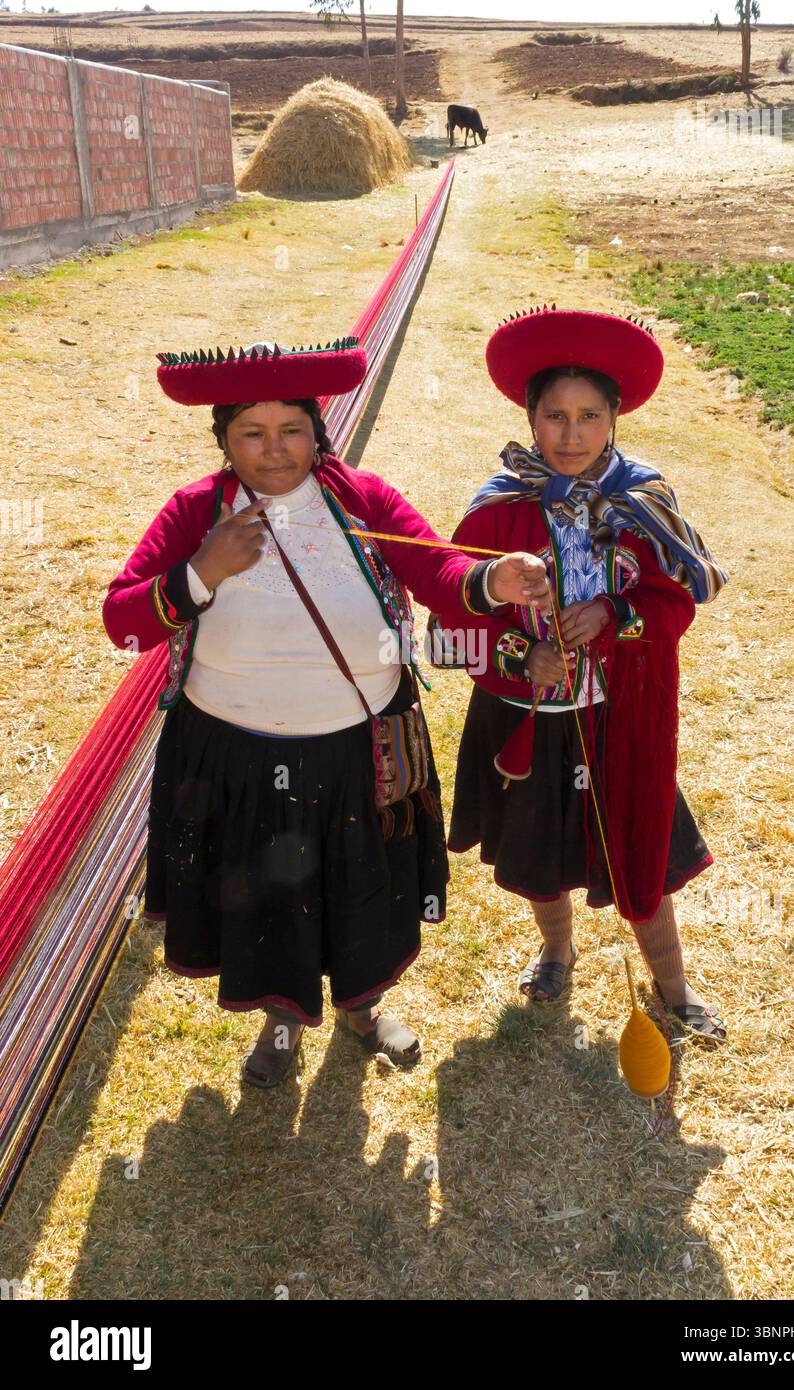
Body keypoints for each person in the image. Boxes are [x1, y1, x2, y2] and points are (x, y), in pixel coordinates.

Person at [103, 334, 548, 1084]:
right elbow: (124, 621)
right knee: (269, 889)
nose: (275, 452)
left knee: (360, 883)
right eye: (252, 432)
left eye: (292, 431)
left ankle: (363, 1009)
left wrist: (494, 580)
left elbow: (434, 568)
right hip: (236, 753)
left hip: (357, 750)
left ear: (319, 431)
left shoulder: (361, 498)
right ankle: (281, 1021)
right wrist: (202, 571)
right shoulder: (194, 513)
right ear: (223, 438)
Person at [435, 306, 729, 1044]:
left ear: (614, 418)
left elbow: (674, 600)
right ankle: (557, 950)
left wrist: (616, 614)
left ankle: (674, 986)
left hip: (619, 710)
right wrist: (519, 654)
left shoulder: (642, 501)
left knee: (642, 849)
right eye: (554, 416)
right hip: (527, 717)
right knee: (540, 848)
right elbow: (453, 620)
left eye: (589, 416)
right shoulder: (496, 512)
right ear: (530, 418)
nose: (570, 435)